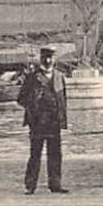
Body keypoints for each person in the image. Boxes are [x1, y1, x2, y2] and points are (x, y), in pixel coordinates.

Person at [18, 45, 68, 193]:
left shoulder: (60, 77)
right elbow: (21, 99)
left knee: (55, 154)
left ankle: (55, 185)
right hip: (37, 123)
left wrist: (63, 120)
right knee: (35, 155)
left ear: (55, 59)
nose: (48, 60)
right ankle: (30, 186)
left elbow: (64, 100)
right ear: (40, 59)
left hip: (54, 122)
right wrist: (33, 108)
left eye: (50, 57)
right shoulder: (32, 78)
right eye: (45, 58)